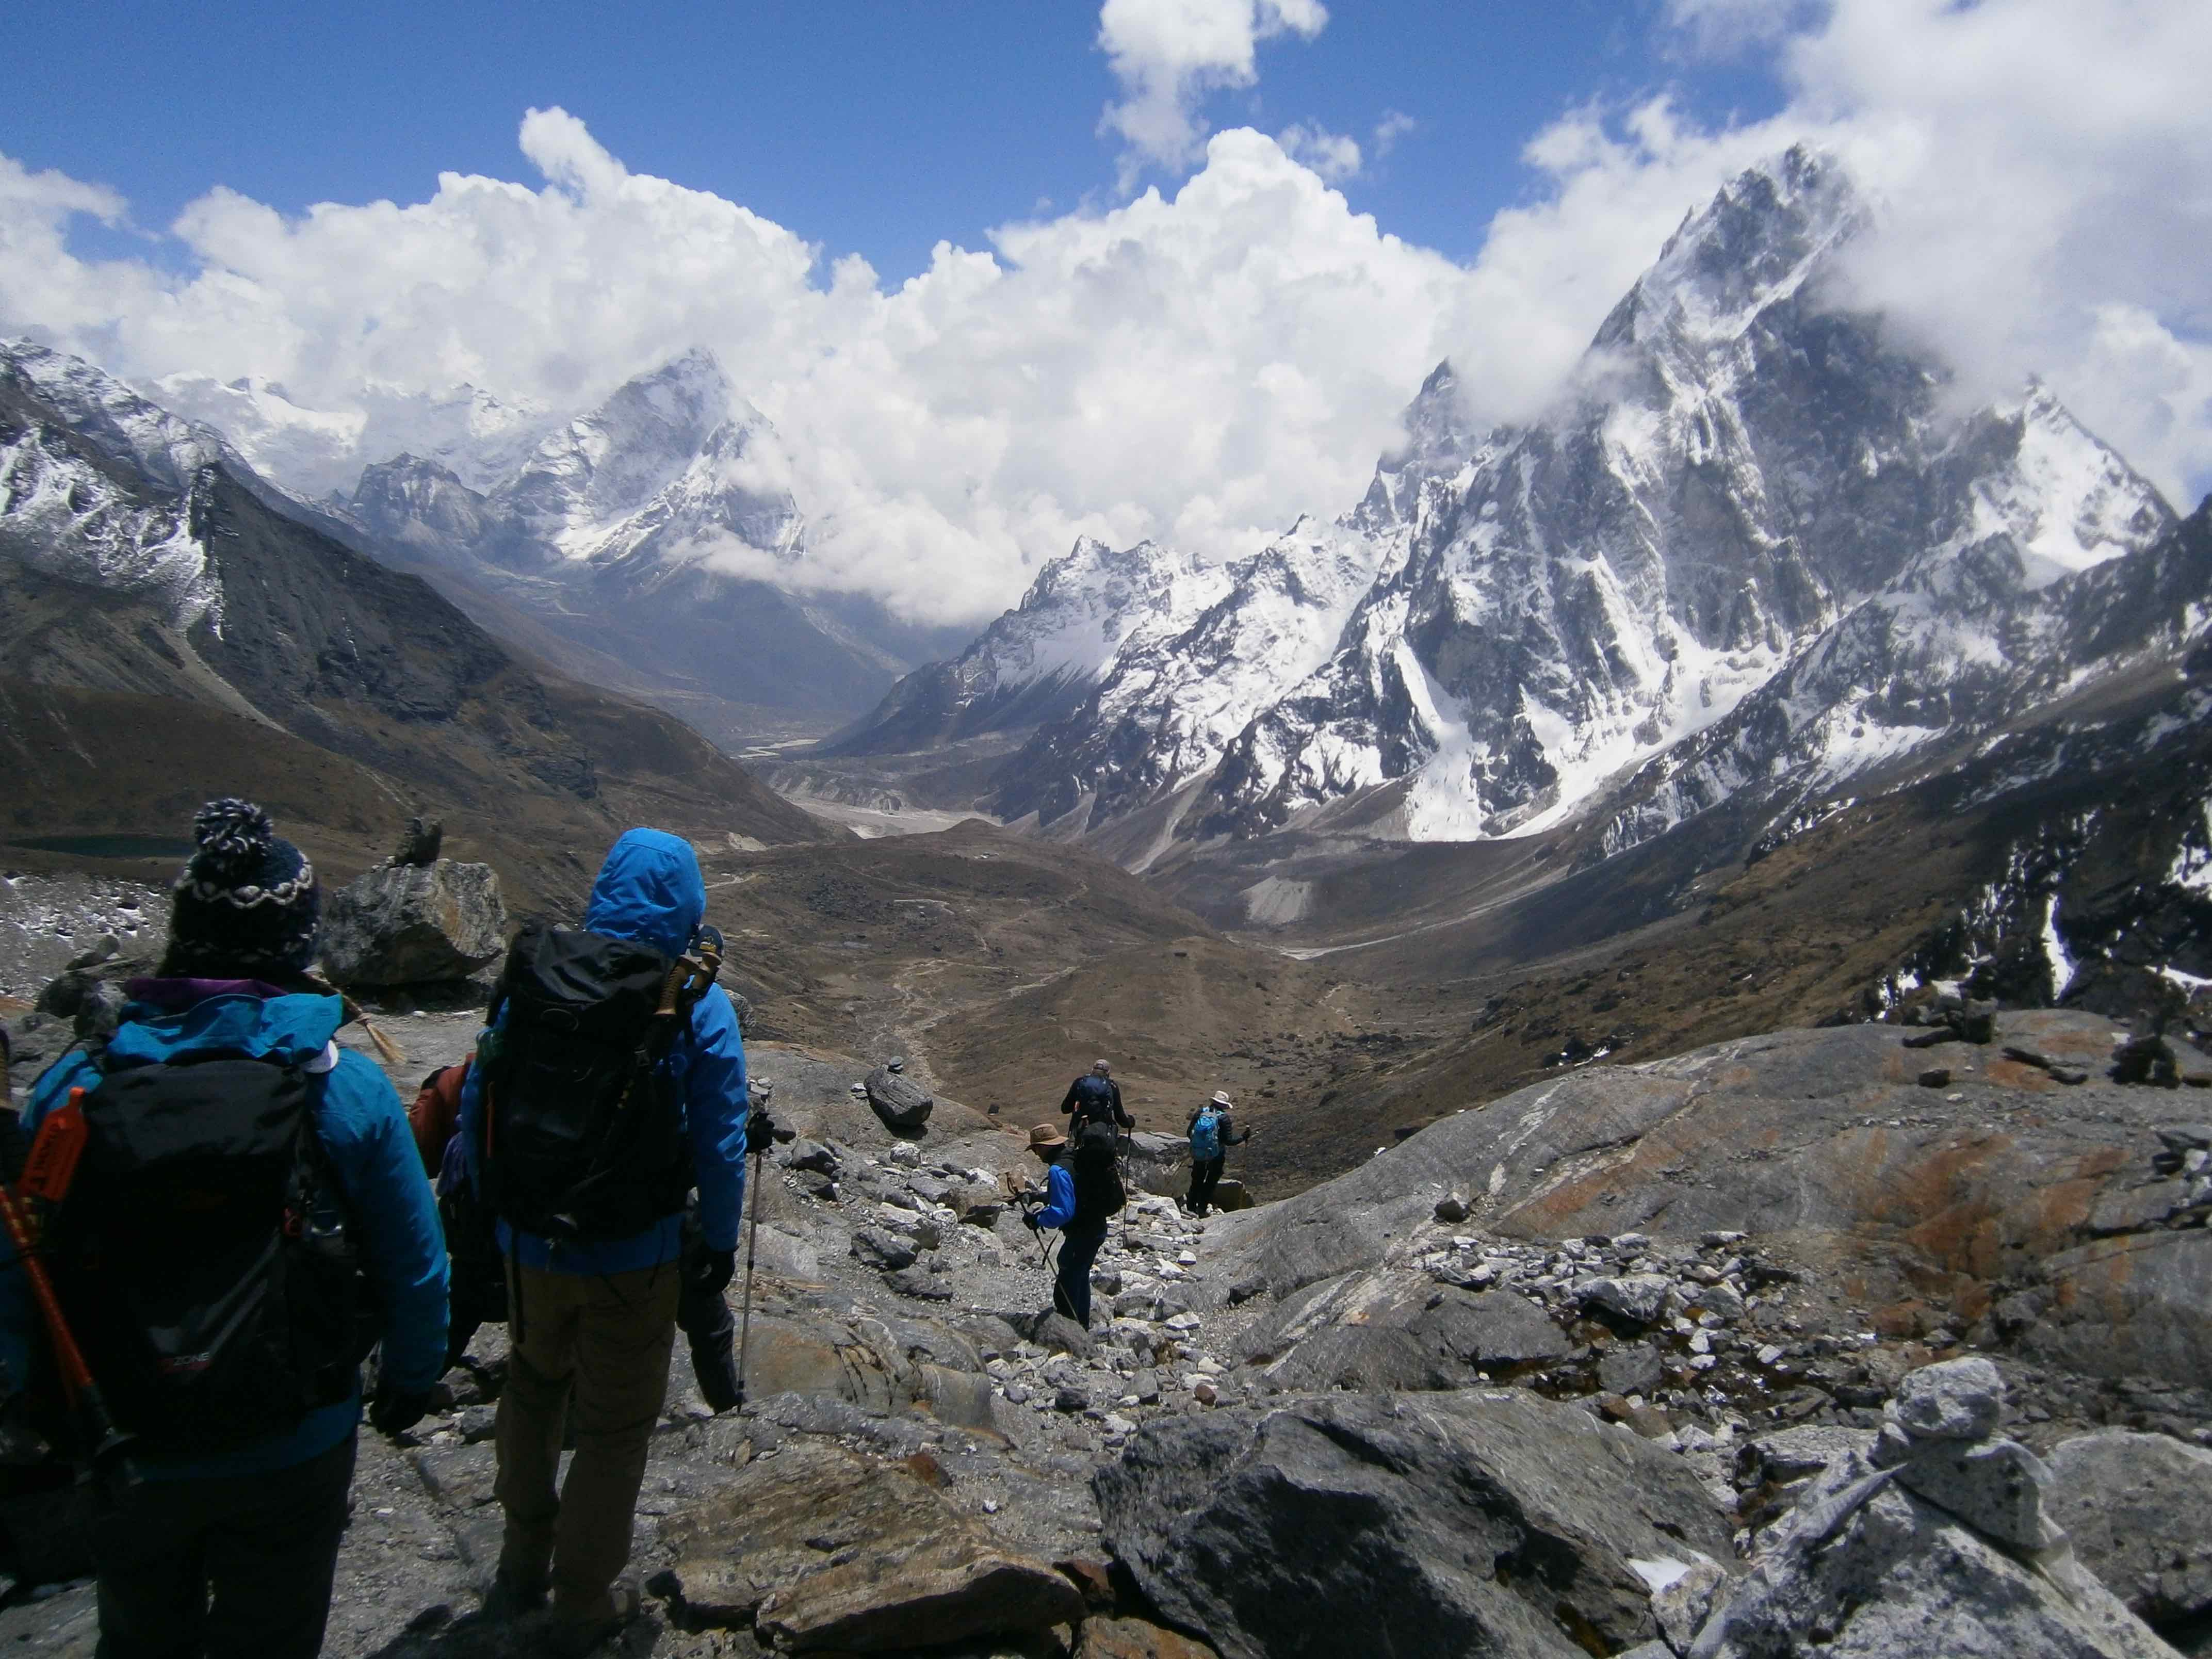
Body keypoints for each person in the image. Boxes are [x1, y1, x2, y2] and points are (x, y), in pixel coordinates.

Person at [0, 798, 448, 1659]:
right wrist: (412, 1376)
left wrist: (29, 1394)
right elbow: (414, 1261)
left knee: (137, 1631)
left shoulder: (73, 1094)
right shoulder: (341, 1093)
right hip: (295, 1434)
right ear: (297, 942)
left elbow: (26, 1259)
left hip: (127, 1429)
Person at [461, 828, 765, 1657]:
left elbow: (481, 1091)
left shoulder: (538, 976)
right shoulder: (695, 1002)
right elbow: (721, 1137)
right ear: (688, 902)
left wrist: (486, 1206)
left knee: (530, 1387)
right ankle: (584, 1602)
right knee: (612, 1431)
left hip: (529, 1241)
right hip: (636, 1255)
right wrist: (721, 1242)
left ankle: (521, 1562)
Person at [1021, 1121, 1118, 1328]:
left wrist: (1037, 1219)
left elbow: (1063, 1213)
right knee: (1080, 1276)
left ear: (1044, 1147)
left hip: (1081, 1232)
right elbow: (1077, 1192)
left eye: (1036, 1149)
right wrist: (1043, 1197)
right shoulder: (1076, 1157)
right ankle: (1082, 1326)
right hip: (1096, 1227)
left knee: (1068, 1280)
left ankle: (1070, 1331)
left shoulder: (1058, 1170)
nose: (1037, 1154)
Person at [1185, 1089, 1253, 1217]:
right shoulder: (1224, 1118)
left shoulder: (1200, 1112)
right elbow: (1229, 1141)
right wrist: (1243, 1137)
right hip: (1216, 1155)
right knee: (1210, 1183)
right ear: (1224, 1105)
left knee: (1196, 1181)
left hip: (1199, 1154)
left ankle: (1190, 1209)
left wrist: (1199, 1145)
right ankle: (1202, 1209)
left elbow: (1189, 1133)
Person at [1059, 1058, 1132, 1133]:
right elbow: (1120, 1117)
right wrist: (1130, 1122)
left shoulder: (1079, 1083)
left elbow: (1065, 1109)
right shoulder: (1112, 1086)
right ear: (1108, 1073)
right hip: (1102, 1134)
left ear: (1092, 1070)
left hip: (1079, 1131)